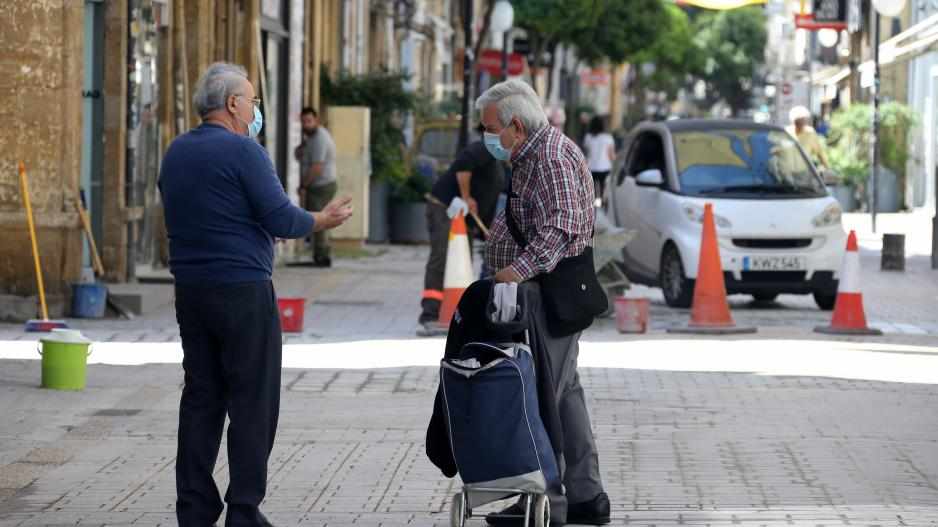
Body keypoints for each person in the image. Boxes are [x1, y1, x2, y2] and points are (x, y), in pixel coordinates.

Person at [159, 62, 352, 527]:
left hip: (192, 290)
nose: (255, 108)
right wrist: (321, 220)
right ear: (231, 104)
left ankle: (195, 508)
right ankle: (243, 510)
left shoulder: (176, 151)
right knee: (252, 400)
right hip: (243, 291)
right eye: (252, 100)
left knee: (202, 397)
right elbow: (281, 218)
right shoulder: (246, 151)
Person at [476, 79, 609, 526]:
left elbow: (562, 226)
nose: (486, 136)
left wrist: (519, 269)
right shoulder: (530, 154)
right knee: (563, 395)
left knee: (542, 399)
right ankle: (586, 498)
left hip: (550, 290)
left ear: (515, 124)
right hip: (541, 288)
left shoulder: (549, 156)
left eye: (490, 128)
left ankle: (545, 499)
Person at [418, 125, 505, 336]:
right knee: (442, 256)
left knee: (460, 264)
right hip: (446, 208)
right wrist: (466, 196)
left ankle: (455, 312)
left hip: (464, 219)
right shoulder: (487, 150)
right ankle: (429, 313)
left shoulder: (502, 169)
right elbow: (463, 164)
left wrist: (489, 231)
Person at [298, 107, 338, 267]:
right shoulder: (311, 138)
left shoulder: (320, 138)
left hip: (321, 186)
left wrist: (303, 185)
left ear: (316, 121)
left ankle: (322, 257)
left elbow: (317, 168)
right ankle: (319, 254)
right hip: (318, 185)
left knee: (319, 221)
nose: (306, 125)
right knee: (319, 220)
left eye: (309, 121)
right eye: (303, 122)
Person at [582, 115, 616, 202]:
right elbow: (611, 155)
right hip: (604, 168)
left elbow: (586, 153)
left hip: (591, 168)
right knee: (603, 190)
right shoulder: (608, 138)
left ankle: (593, 206)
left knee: (591, 191)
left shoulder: (588, 137)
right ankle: (601, 205)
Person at [787, 106, 830, 172]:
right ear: (793, 121)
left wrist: (827, 168)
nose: (802, 123)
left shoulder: (810, 133)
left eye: (804, 120)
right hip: (785, 174)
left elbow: (819, 153)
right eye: (798, 120)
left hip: (803, 173)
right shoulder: (786, 132)